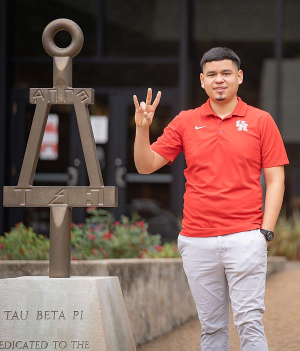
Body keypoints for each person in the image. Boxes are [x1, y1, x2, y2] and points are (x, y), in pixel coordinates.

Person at [133, 47, 289, 351]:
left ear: (239, 77)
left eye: (227, 73)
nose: (220, 80)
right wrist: (142, 130)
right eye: (213, 74)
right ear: (202, 80)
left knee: (249, 322)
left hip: (246, 237)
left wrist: (265, 233)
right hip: (197, 241)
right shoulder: (185, 121)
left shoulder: (260, 121)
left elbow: (276, 179)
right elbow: (145, 165)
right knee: (212, 327)